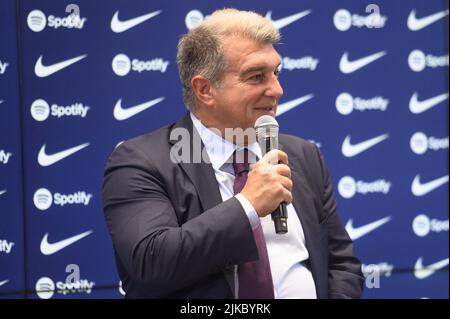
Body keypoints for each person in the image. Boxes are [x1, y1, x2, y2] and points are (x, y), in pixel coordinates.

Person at [102, 8, 364, 299]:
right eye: (256, 77)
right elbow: (151, 262)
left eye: (276, 73)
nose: (277, 90)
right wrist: (248, 206)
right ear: (205, 90)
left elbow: (341, 264)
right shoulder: (141, 162)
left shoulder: (304, 156)